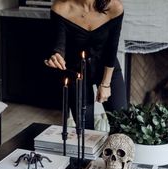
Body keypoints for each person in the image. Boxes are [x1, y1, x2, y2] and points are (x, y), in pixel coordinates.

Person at [45, 0, 127, 129]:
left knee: (123, 125)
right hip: (76, 73)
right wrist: (56, 56)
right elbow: (59, 45)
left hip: (107, 68)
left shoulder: (115, 7)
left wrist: (106, 84)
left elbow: (112, 49)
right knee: (85, 131)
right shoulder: (60, 7)